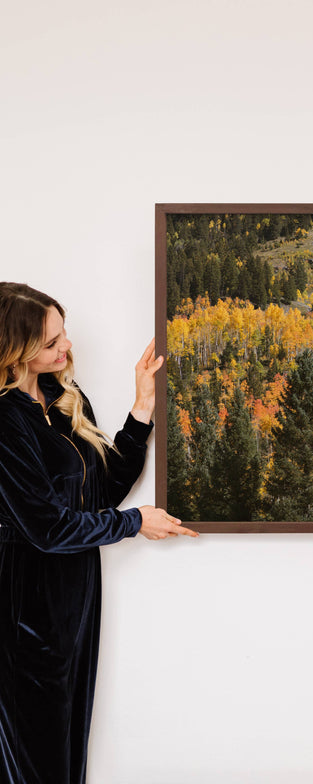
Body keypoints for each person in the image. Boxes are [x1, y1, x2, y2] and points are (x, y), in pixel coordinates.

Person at [0, 282, 198, 784]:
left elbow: (102, 490)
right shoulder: (4, 421)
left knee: (65, 751)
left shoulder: (60, 394)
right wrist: (136, 523)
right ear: (14, 350)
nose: (66, 348)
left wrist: (143, 406)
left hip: (73, 601)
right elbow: (47, 528)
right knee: (34, 759)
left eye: (63, 333)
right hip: (22, 608)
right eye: (51, 342)